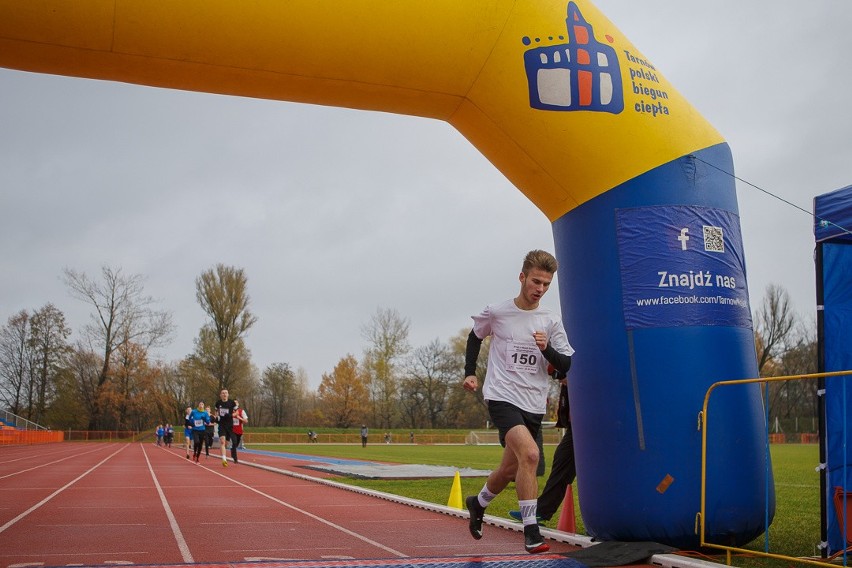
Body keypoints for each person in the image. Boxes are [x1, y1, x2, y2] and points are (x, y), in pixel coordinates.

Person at [462, 249, 574, 554]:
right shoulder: (498, 312)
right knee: (531, 454)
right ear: (522, 277)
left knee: (509, 469)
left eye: (546, 284)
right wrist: (470, 373)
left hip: (534, 403)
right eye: (536, 281)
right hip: (501, 396)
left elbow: (566, 365)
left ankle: (478, 502)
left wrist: (547, 350)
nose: (540, 289)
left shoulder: (550, 320)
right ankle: (531, 532)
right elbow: (475, 336)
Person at [509, 368, 575, 526]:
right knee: (562, 461)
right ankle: (542, 511)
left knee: (591, 469)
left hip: (590, 420)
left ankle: (606, 517)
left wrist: (572, 379)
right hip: (577, 424)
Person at [214, 388, 237, 467]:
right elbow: (216, 412)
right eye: (223, 393)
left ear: (228, 394)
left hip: (229, 425)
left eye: (226, 393)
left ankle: (227, 453)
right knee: (222, 441)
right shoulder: (218, 403)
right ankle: (224, 459)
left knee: (226, 443)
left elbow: (236, 412)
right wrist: (216, 417)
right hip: (222, 424)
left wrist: (231, 415)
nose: (224, 394)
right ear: (220, 395)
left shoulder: (232, 403)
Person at [230, 399, 248, 464]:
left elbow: (246, 421)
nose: (235, 404)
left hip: (239, 431)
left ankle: (232, 450)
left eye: (236, 403)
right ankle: (235, 459)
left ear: (238, 404)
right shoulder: (229, 411)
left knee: (236, 445)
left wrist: (239, 418)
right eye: (233, 403)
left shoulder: (241, 411)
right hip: (232, 430)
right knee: (234, 442)